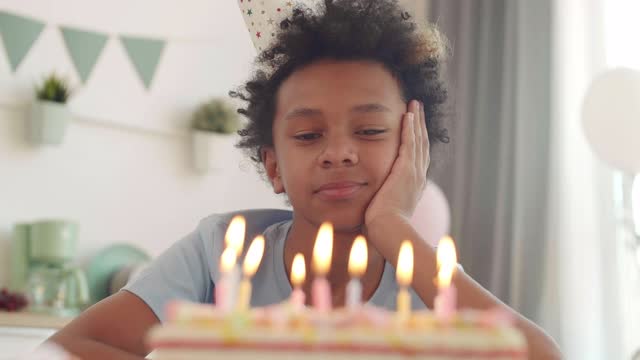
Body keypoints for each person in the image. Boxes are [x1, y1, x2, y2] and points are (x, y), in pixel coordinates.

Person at [48, 1, 562, 359]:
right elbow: (67, 349)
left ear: (414, 147)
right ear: (273, 165)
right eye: (310, 135)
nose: (338, 152)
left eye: (369, 129)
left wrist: (392, 225)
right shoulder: (220, 251)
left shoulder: (426, 279)